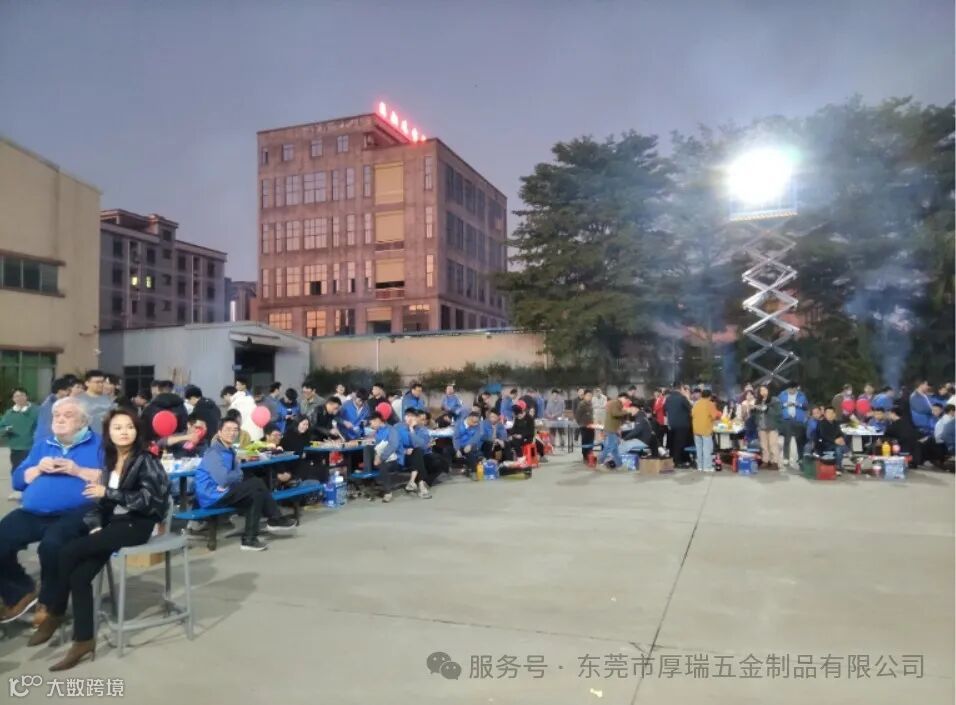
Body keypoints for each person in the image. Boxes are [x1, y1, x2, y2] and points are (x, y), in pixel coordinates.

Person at [29, 408, 169, 670]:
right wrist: (95, 525)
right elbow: (99, 504)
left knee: (67, 551)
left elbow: (151, 501)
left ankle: (55, 613)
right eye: (117, 427)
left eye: (129, 427)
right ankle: (84, 641)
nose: (124, 432)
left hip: (138, 524)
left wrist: (109, 493)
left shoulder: (146, 460)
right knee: (79, 577)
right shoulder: (110, 460)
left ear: (137, 431)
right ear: (108, 433)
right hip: (114, 524)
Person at [0, 398, 101, 628]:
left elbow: (114, 480)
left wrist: (78, 471)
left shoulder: (99, 445)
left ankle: (50, 603)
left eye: (68, 415)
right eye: (57, 415)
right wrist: (37, 468)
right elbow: (18, 481)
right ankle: (19, 591)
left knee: (52, 545)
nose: (60, 419)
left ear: (83, 421)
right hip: (34, 512)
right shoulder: (43, 445)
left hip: (78, 512)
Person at [195, 418, 297, 551]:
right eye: (228, 430)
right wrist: (237, 474)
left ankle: (249, 539)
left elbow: (231, 477)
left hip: (223, 491)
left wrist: (235, 475)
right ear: (219, 432)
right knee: (256, 483)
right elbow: (224, 479)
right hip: (211, 496)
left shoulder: (229, 450)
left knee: (256, 494)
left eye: (235, 430)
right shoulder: (214, 452)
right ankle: (275, 518)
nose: (232, 433)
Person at [2, 388, 39, 479]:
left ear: (27, 396)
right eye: (16, 396)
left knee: (32, 472)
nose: (19, 398)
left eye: (22, 395)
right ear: (13, 399)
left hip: (32, 447)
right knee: (17, 471)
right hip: (16, 448)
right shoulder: (9, 413)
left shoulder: (36, 411)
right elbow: (2, 428)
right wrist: (6, 430)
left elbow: (42, 427)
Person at [398, 408, 434, 499]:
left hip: (415, 456)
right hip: (402, 456)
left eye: (413, 416)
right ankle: (418, 485)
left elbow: (420, 445)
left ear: (416, 418)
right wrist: (404, 451)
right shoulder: (398, 428)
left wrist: (411, 430)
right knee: (418, 455)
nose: (410, 418)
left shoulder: (421, 429)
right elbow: (394, 445)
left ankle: (417, 483)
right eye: (408, 416)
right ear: (404, 417)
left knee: (418, 451)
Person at [35, 376, 78, 444]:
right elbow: (48, 427)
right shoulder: (50, 405)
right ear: (60, 391)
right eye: (68, 390)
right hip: (48, 441)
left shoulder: (57, 402)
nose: (70, 393)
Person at [367, 411, 399, 502]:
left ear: (377, 420)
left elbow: (393, 445)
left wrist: (381, 458)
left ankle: (388, 492)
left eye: (371, 423)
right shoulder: (377, 432)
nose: (370, 426)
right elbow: (377, 447)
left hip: (394, 459)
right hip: (381, 458)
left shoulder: (391, 430)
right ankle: (368, 485)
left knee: (383, 465)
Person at [601, 393, 637, 469]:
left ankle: (619, 464)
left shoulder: (619, 404)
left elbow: (618, 417)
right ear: (622, 398)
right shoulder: (615, 403)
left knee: (614, 449)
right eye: (626, 399)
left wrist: (624, 421)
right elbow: (615, 413)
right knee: (610, 447)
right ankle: (599, 462)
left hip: (614, 429)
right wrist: (627, 411)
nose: (626, 401)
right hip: (611, 429)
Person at [778, 382, 809, 467]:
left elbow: (806, 406)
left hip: (798, 419)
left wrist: (798, 404)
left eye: (793, 389)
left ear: (796, 388)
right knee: (787, 439)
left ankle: (801, 458)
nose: (791, 391)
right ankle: (786, 458)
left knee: (799, 440)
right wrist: (785, 404)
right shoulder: (782, 394)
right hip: (787, 419)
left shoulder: (801, 395)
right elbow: (777, 405)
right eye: (789, 389)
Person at [414, 410, 450, 482]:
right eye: (422, 420)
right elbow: (416, 446)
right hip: (420, 455)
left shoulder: (424, 429)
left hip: (428, 452)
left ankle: (428, 479)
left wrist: (432, 442)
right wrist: (427, 445)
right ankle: (425, 480)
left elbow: (432, 440)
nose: (424, 422)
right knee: (438, 461)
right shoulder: (412, 431)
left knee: (445, 462)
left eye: (425, 420)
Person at [691, 390, 720, 472]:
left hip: (696, 429)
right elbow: (714, 416)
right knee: (707, 449)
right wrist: (719, 414)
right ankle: (707, 467)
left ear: (701, 395)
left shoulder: (696, 403)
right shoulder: (710, 404)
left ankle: (700, 466)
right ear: (710, 396)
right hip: (706, 429)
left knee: (699, 449)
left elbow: (692, 414)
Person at [664, 385, 693, 467]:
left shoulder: (668, 398)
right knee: (681, 443)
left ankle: (673, 459)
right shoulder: (682, 398)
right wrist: (687, 398)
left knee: (673, 443)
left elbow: (665, 410)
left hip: (672, 424)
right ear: (681, 389)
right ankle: (679, 461)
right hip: (682, 424)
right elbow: (691, 409)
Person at [574, 389, 595, 463]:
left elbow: (591, 414)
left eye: (591, 396)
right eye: (588, 395)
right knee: (585, 441)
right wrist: (581, 424)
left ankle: (590, 454)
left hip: (591, 425)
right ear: (584, 396)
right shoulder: (582, 404)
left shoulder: (591, 403)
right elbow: (577, 416)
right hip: (584, 426)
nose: (590, 397)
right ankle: (585, 456)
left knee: (591, 440)